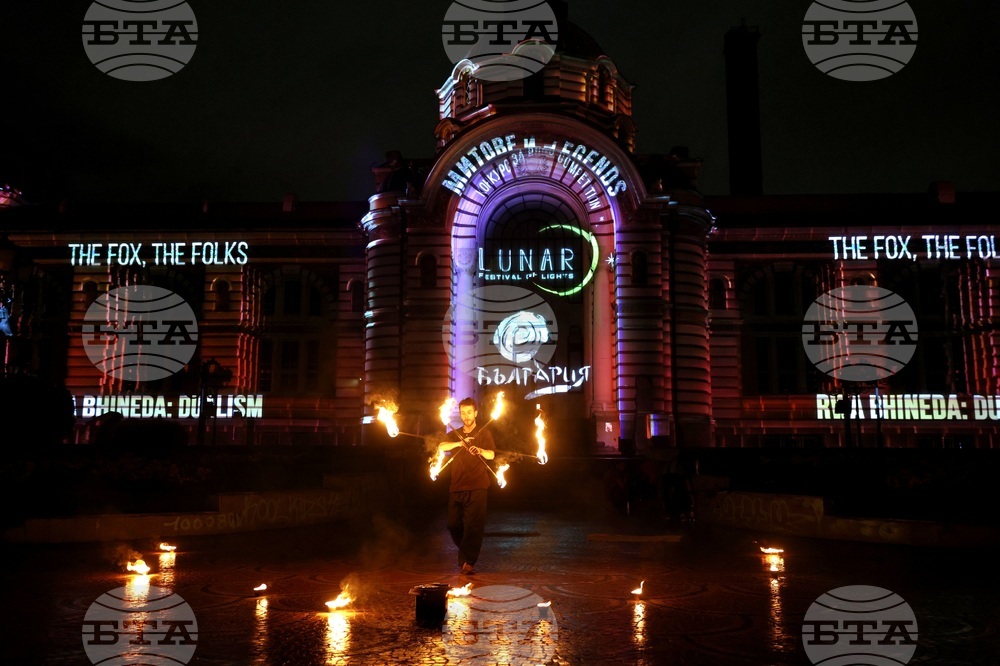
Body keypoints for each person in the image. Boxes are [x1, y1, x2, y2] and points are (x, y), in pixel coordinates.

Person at [437, 397, 496, 575]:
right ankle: (465, 550)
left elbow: (492, 455)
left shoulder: (484, 433)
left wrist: (480, 450)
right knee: (453, 524)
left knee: (473, 526)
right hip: (457, 486)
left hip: (478, 486)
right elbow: (441, 446)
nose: (466, 416)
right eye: (463, 412)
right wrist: (459, 443)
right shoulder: (455, 433)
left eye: (469, 412)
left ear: (475, 413)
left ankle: (468, 562)